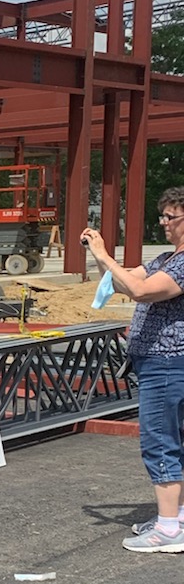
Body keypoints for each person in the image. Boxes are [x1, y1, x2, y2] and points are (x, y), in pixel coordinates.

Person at [82, 188, 184, 554]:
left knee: (160, 442)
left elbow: (140, 291)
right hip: (161, 362)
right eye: (162, 216)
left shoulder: (182, 264)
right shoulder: (166, 259)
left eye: (171, 217)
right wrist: (101, 256)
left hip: (167, 363)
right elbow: (122, 281)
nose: (164, 223)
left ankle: (169, 528)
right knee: (174, 439)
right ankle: (176, 517)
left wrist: (104, 255)